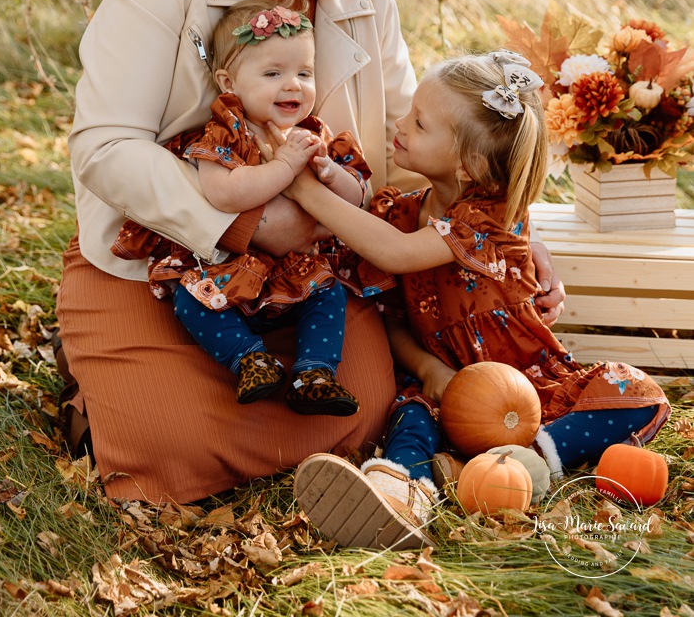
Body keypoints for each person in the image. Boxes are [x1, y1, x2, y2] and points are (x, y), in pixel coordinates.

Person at [56, 0, 565, 503]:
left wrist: (496, 225)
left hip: (313, 269)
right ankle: (108, 387)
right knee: (167, 445)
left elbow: (405, 140)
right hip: (169, 254)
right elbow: (104, 147)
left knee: (359, 409)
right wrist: (246, 224)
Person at [286, 51, 671, 550]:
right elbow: (390, 317)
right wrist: (427, 369)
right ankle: (400, 495)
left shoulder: (489, 221)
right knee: (412, 421)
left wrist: (304, 190)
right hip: (447, 388)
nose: (400, 126)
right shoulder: (400, 213)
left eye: (419, 123)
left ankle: (531, 460)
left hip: (528, 388)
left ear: (467, 164)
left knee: (634, 391)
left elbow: (396, 253)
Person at [112, 0, 368, 416]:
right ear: (228, 82)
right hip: (231, 270)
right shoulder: (224, 134)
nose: (293, 85)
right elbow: (224, 193)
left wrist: (330, 174)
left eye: (305, 72)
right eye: (273, 73)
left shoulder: (313, 134)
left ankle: (314, 373)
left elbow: (356, 200)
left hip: (296, 271)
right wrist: (285, 167)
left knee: (329, 294)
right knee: (190, 301)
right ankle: (248, 358)